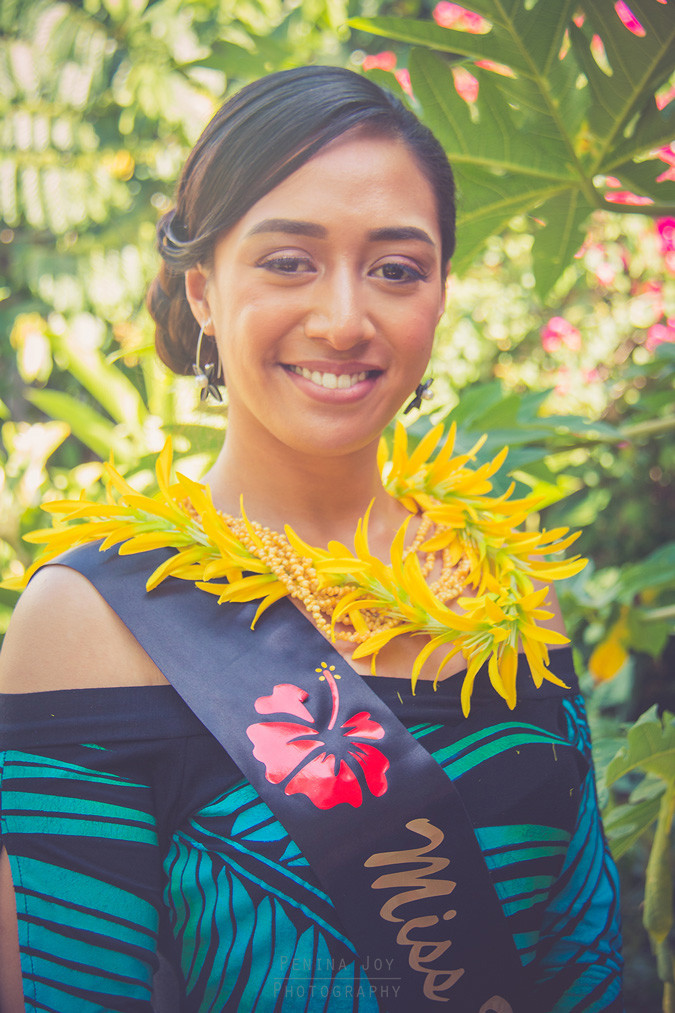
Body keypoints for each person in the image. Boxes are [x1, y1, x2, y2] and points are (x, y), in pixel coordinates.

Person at [0, 66, 622, 1012]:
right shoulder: (90, 625)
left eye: (396, 269)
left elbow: (589, 957)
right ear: (203, 290)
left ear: (440, 295)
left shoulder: (506, 588)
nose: (343, 319)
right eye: (289, 261)